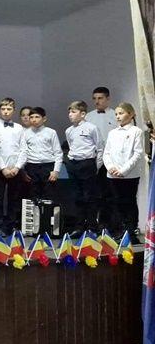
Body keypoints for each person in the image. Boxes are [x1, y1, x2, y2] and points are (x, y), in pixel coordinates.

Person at [102, 102, 144, 236]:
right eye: (116, 114)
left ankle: (130, 231)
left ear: (131, 114)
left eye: (121, 113)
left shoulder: (136, 131)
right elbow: (106, 153)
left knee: (129, 202)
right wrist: (110, 167)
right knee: (115, 202)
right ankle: (118, 231)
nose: (118, 116)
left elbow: (137, 153)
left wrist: (123, 170)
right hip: (113, 174)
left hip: (129, 175)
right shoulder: (112, 133)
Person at [64, 100, 103, 232]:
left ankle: (92, 226)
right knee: (77, 196)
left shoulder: (92, 128)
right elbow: (71, 146)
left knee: (90, 196)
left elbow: (99, 148)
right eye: (69, 112)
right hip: (73, 163)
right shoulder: (69, 130)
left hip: (87, 163)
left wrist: (96, 166)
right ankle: (79, 227)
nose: (70, 114)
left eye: (73, 112)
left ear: (82, 114)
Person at [0, 98, 25, 237]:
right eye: (3, 109)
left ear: (14, 110)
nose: (6, 111)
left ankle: (11, 226)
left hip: (15, 169)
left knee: (14, 198)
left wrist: (17, 167)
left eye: (9, 109)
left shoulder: (19, 128)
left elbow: (23, 149)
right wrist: (3, 168)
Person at [15, 107, 62, 203]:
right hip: (31, 167)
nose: (34, 119)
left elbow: (58, 153)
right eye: (31, 117)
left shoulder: (51, 132)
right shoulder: (25, 133)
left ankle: (46, 213)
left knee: (48, 197)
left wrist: (56, 171)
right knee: (32, 196)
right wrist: (23, 171)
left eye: (37, 117)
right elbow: (23, 153)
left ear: (44, 119)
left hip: (48, 167)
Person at [86, 87, 116, 230]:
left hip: (111, 159)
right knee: (94, 193)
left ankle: (110, 224)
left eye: (100, 98)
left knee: (110, 193)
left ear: (108, 98)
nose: (97, 101)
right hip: (94, 158)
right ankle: (93, 225)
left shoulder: (115, 115)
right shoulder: (88, 116)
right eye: (95, 98)